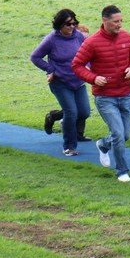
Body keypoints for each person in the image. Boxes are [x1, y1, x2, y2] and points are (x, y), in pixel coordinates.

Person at [72, 5, 130, 183]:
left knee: (125, 135)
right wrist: (93, 78)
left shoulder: (126, 37)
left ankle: (103, 144)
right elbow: (77, 65)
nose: (119, 25)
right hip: (105, 97)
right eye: (116, 22)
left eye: (121, 21)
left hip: (125, 94)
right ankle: (122, 171)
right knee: (118, 133)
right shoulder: (92, 42)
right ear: (105, 21)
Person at [30, 9, 91, 156]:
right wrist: (51, 69)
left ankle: (53, 116)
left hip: (78, 81)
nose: (71, 27)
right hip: (60, 82)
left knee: (83, 112)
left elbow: (88, 54)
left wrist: (88, 68)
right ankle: (69, 146)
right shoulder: (51, 39)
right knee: (71, 112)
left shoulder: (78, 36)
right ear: (59, 25)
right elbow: (35, 57)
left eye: (74, 23)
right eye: (68, 24)